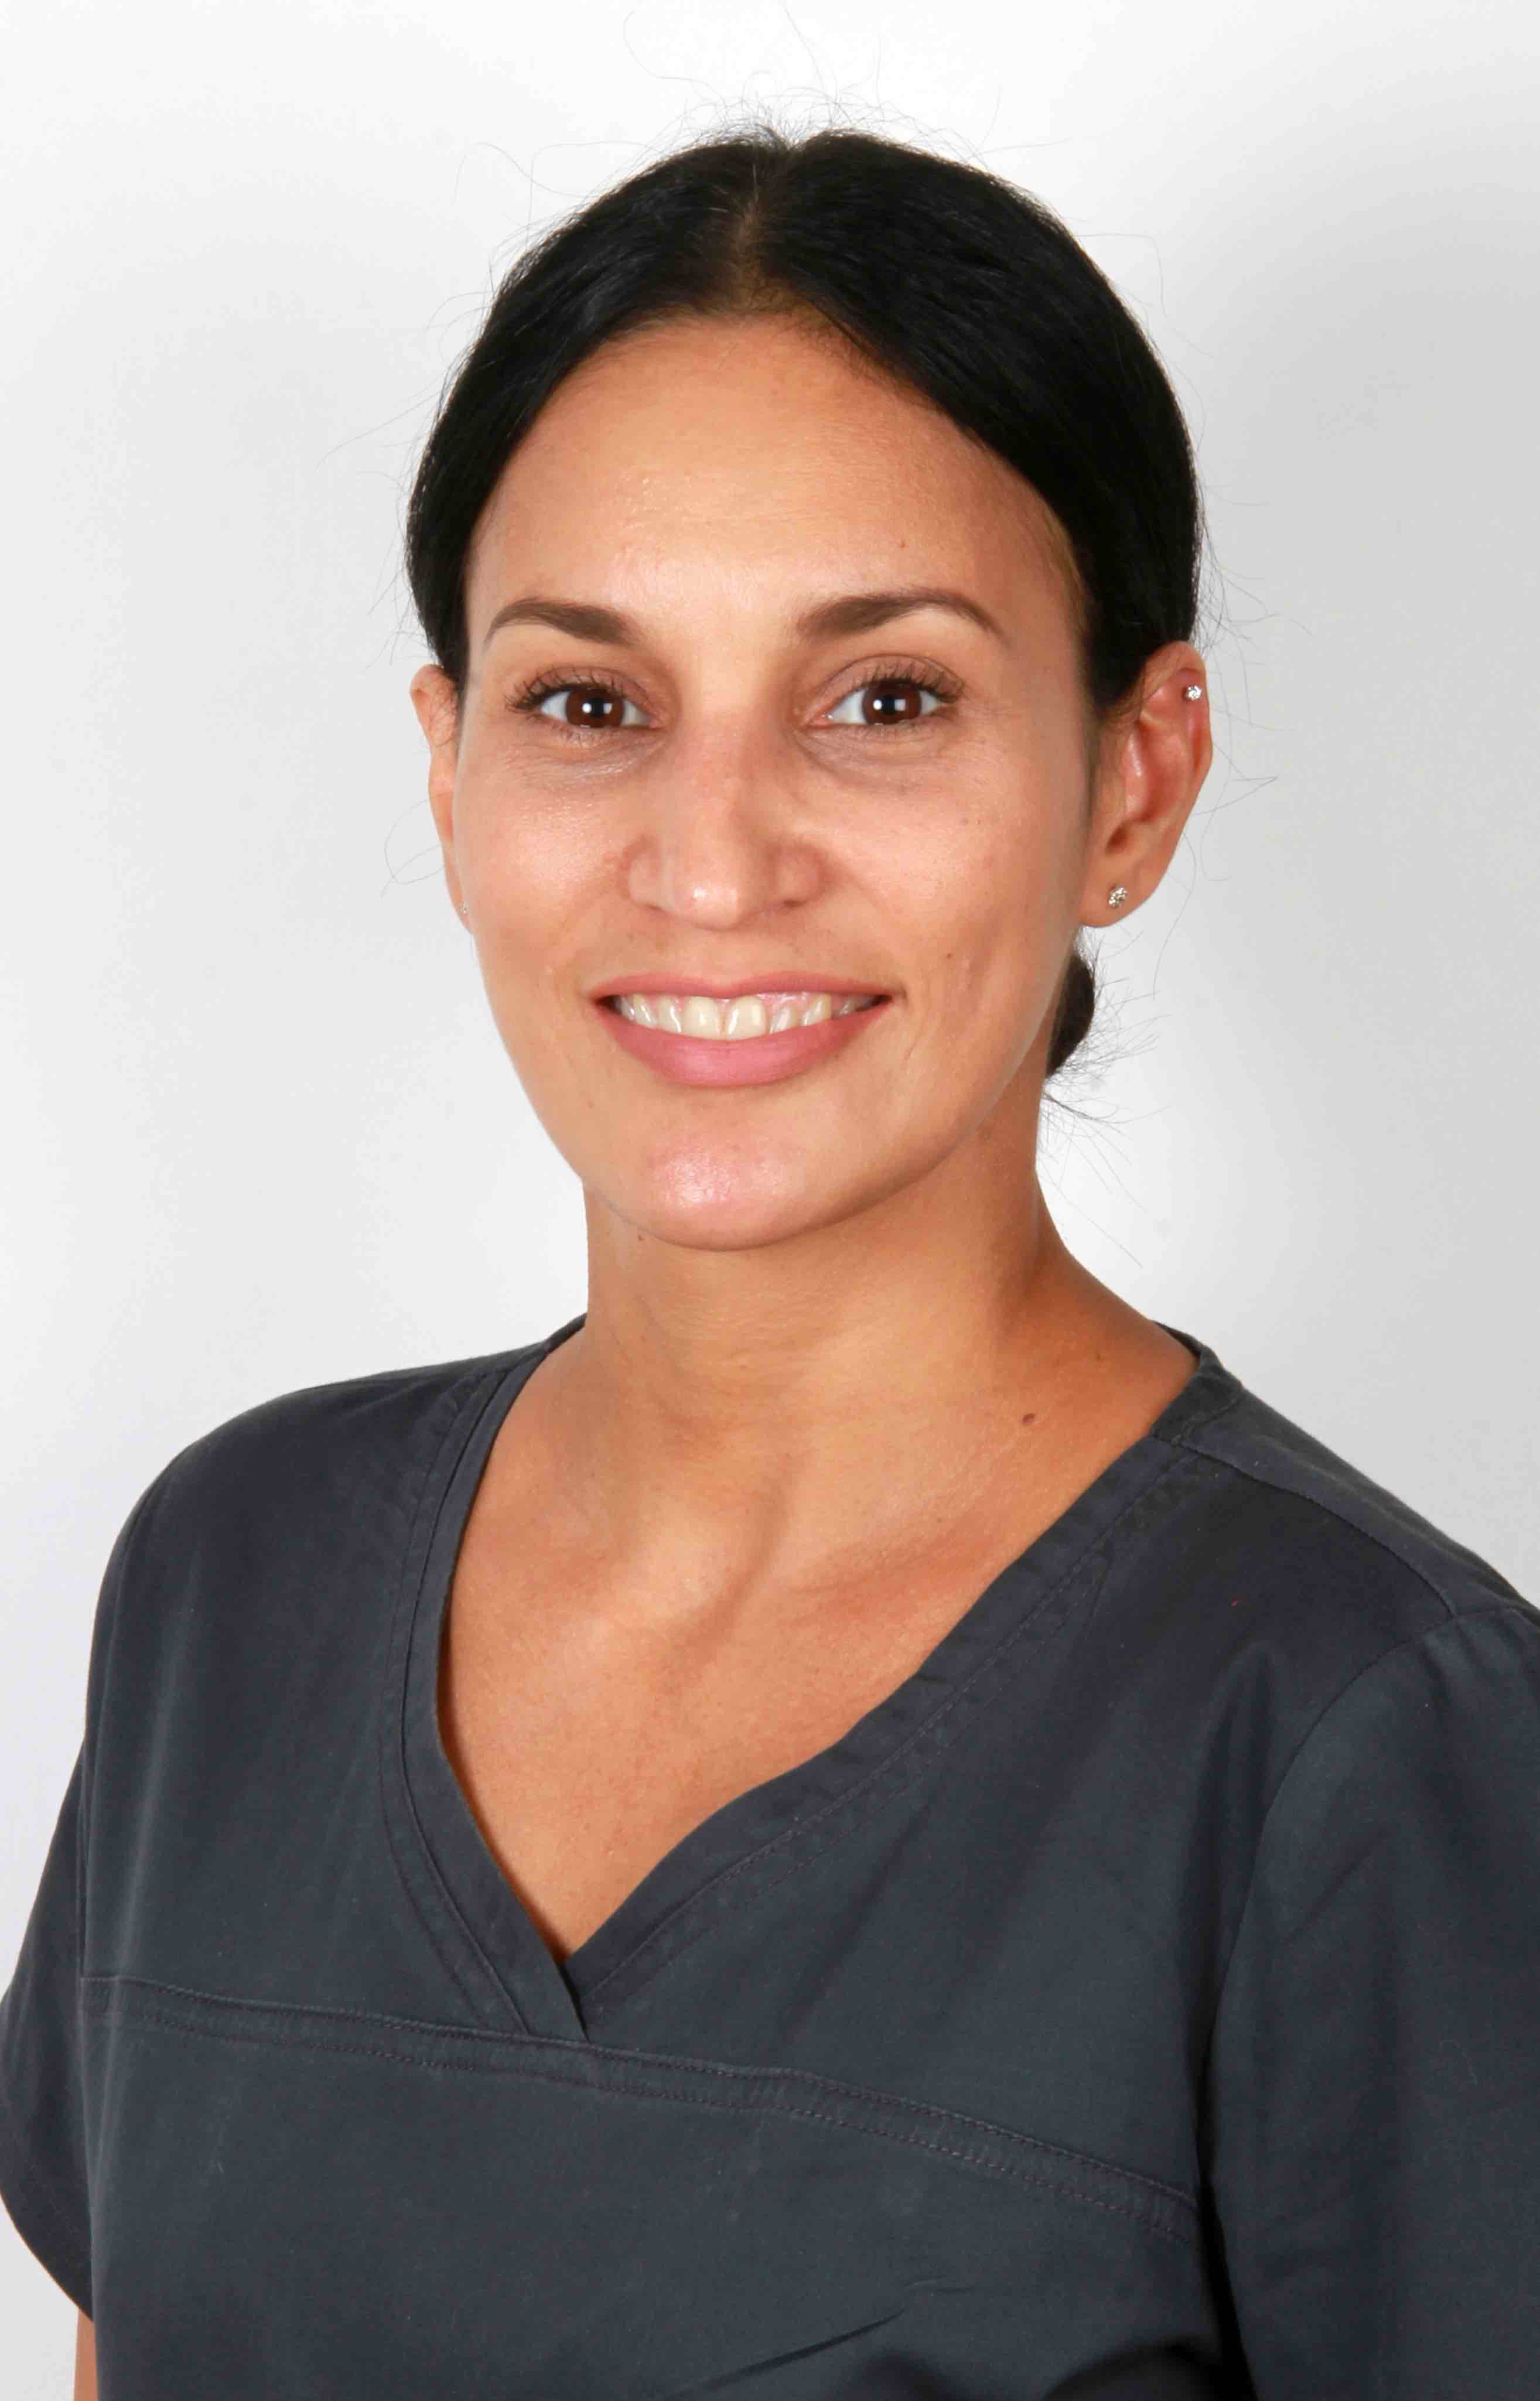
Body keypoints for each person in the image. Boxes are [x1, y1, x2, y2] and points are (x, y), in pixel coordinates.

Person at [4, 119, 1538, 2401]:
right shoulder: (235, 1579)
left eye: (884, 696)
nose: (711, 863)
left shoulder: (1368, 1734)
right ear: (449, 772)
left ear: (1133, 777)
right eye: (589, 702)